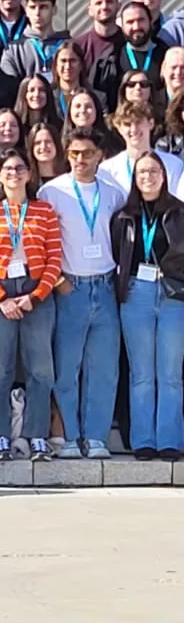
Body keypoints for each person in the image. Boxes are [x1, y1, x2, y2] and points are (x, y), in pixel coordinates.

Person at [0, 147, 61, 462]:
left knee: (41, 368)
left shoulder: (44, 211)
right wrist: (1, 298)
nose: (14, 173)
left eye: (20, 168)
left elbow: (54, 260)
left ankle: (36, 436)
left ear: (29, 173)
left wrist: (34, 297)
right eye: (7, 168)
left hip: (36, 293)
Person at [38, 128, 124, 458]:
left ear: (99, 155)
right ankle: (70, 437)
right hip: (69, 286)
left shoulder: (113, 193)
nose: (80, 160)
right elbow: (43, 242)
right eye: (74, 154)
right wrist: (58, 280)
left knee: (103, 367)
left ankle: (97, 437)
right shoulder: (52, 192)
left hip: (104, 287)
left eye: (87, 153)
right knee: (67, 366)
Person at [111, 151, 184, 462]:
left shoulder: (180, 213)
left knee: (169, 373)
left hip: (172, 294)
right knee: (141, 373)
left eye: (153, 171)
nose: (148, 177)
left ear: (164, 176)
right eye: (141, 173)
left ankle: (169, 440)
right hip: (136, 293)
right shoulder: (124, 216)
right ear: (134, 177)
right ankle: (143, 440)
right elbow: (117, 254)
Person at [99, 101, 184, 194]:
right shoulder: (107, 170)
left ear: (151, 123)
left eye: (138, 122)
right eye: (127, 124)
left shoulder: (173, 164)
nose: (134, 129)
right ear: (119, 128)